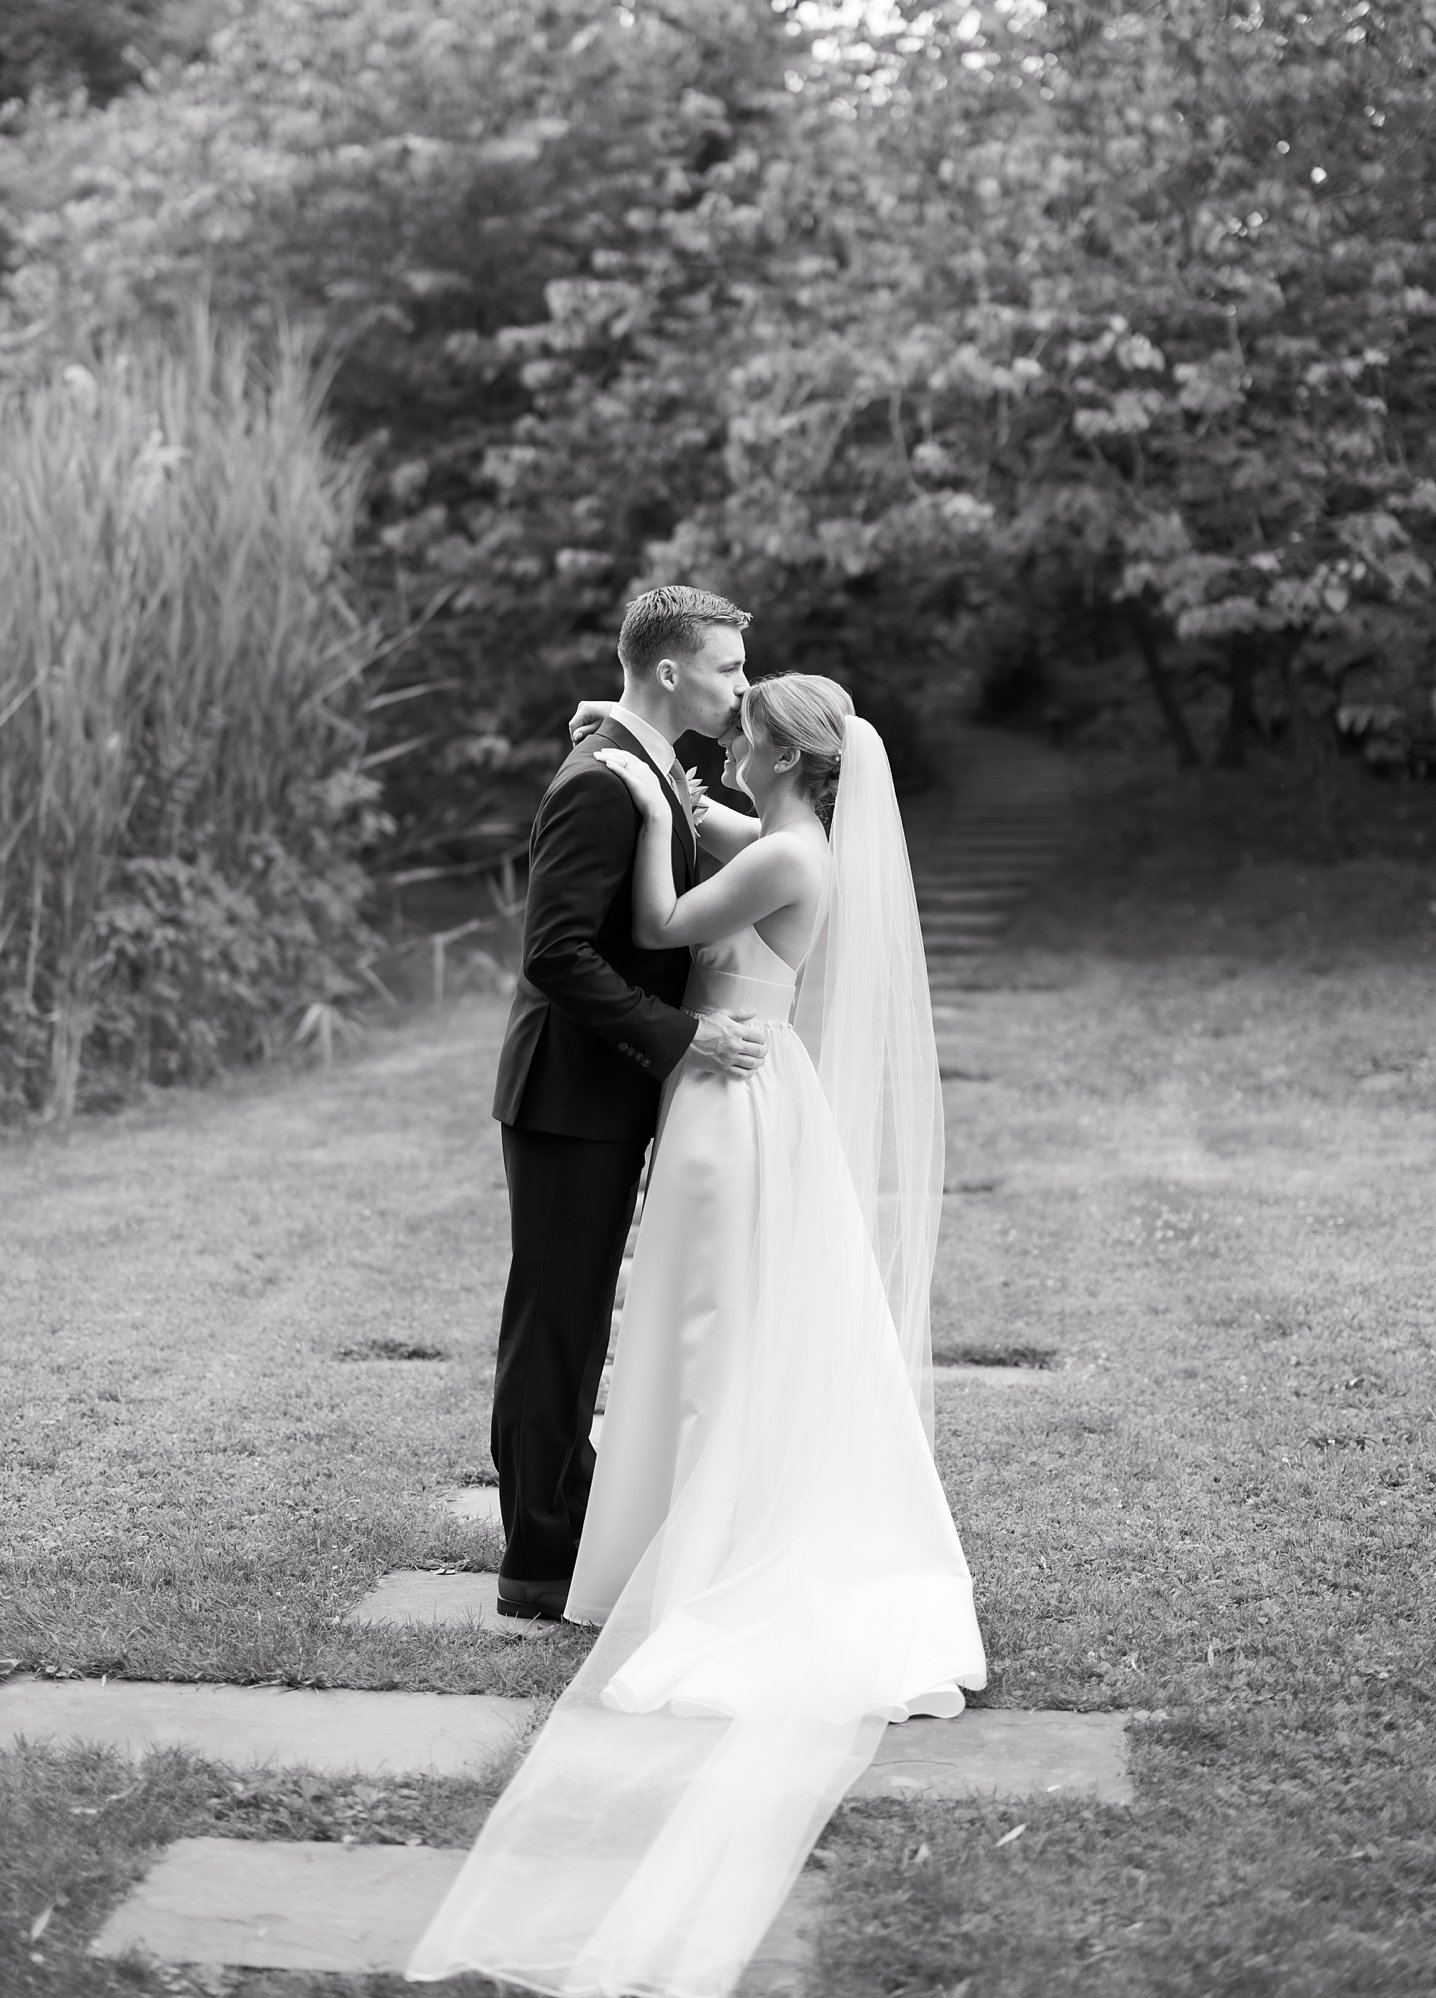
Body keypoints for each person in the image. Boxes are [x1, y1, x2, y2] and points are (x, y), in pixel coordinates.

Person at [408, 669, 987, 1996]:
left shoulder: (780, 846)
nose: (728, 722)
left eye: (746, 716)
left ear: (779, 751)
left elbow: (666, 908)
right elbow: (703, 814)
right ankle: (669, 1517)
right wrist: (644, 770)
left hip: (731, 1095)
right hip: (737, 1088)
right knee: (698, 1317)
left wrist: (644, 792)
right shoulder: (784, 830)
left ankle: (705, 1541)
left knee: (706, 1319)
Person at [486, 586, 769, 1622]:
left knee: (575, 1319)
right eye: (728, 667)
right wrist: (684, 1034)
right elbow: (554, 954)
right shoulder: (601, 785)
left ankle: (570, 1507)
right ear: (666, 671)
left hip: (610, 1094)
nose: (742, 684)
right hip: (568, 1097)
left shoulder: (645, 766)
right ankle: (535, 1560)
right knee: (555, 1324)